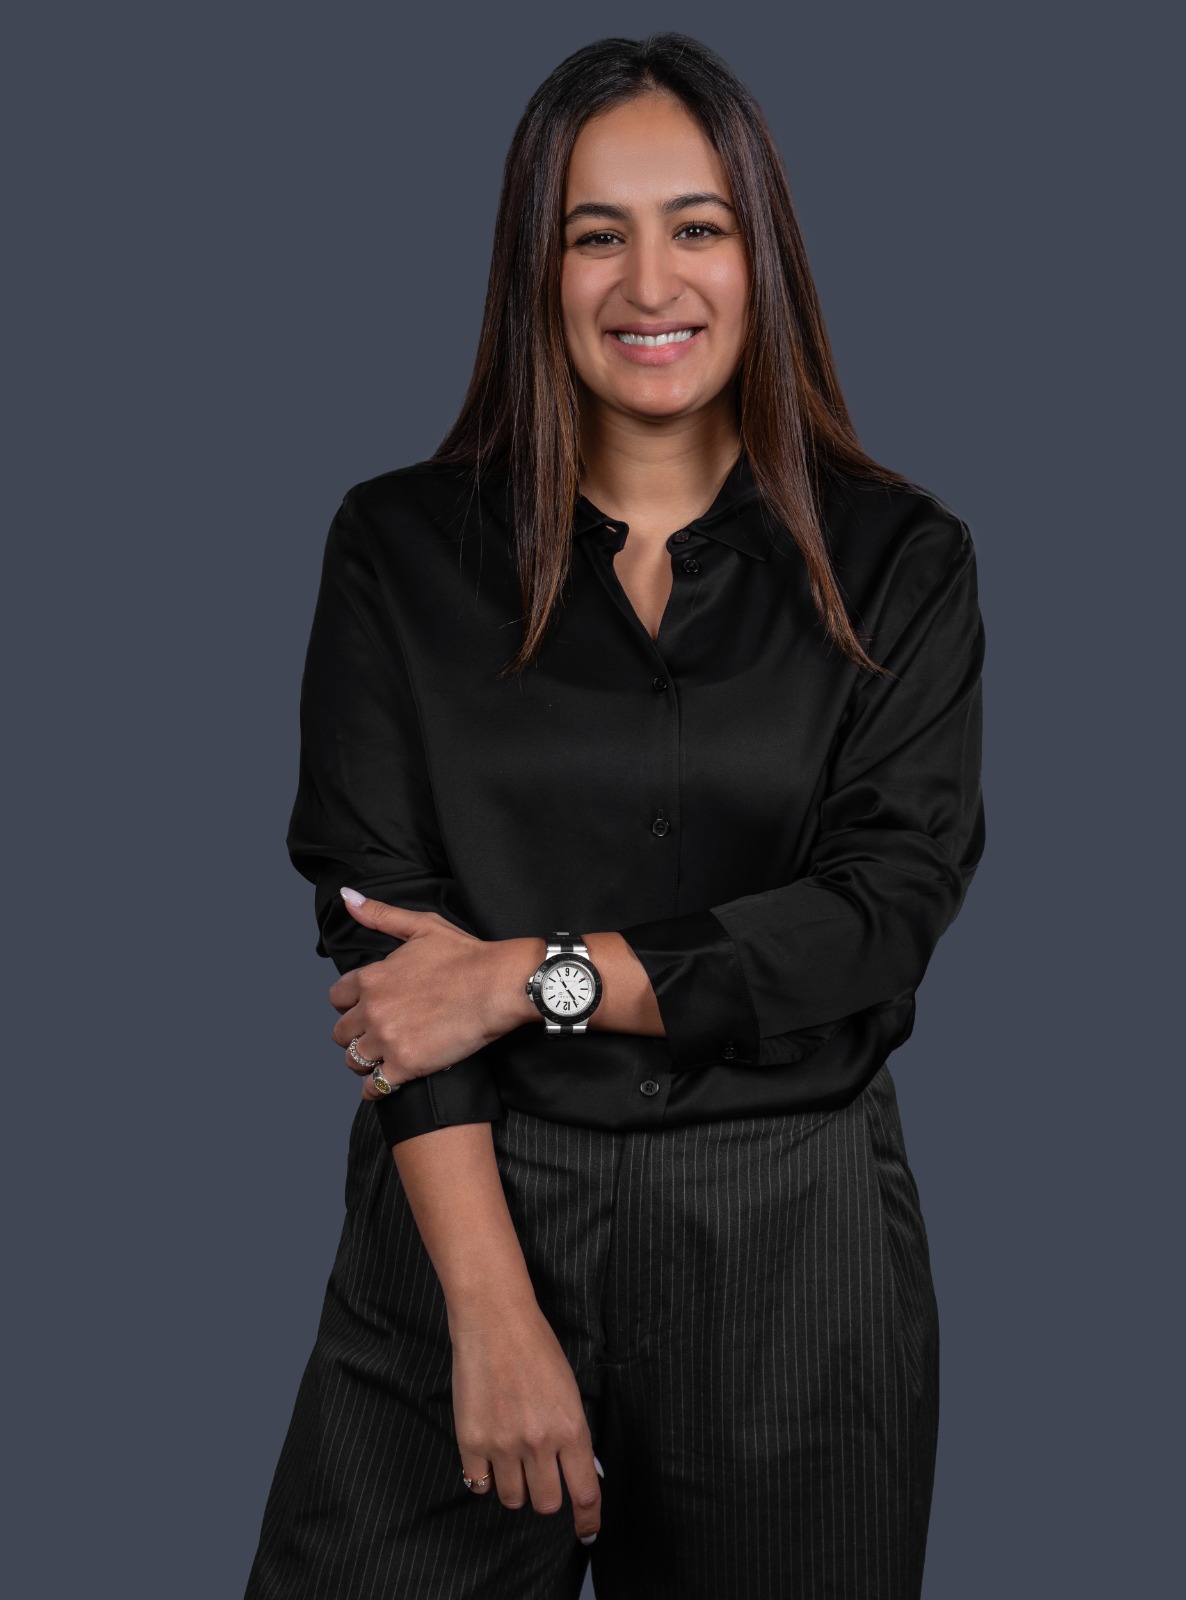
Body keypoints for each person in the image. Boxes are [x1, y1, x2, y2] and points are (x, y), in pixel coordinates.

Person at [244, 30, 985, 1600]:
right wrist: (491, 1311)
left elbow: (878, 915)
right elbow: (386, 946)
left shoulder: (903, 562)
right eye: (598, 234)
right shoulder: (396, 551)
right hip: (466, 1206)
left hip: (795, 1250)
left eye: (697, 226)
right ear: (540, 269)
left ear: (761, 255)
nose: (652, 283)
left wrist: (536, 976)